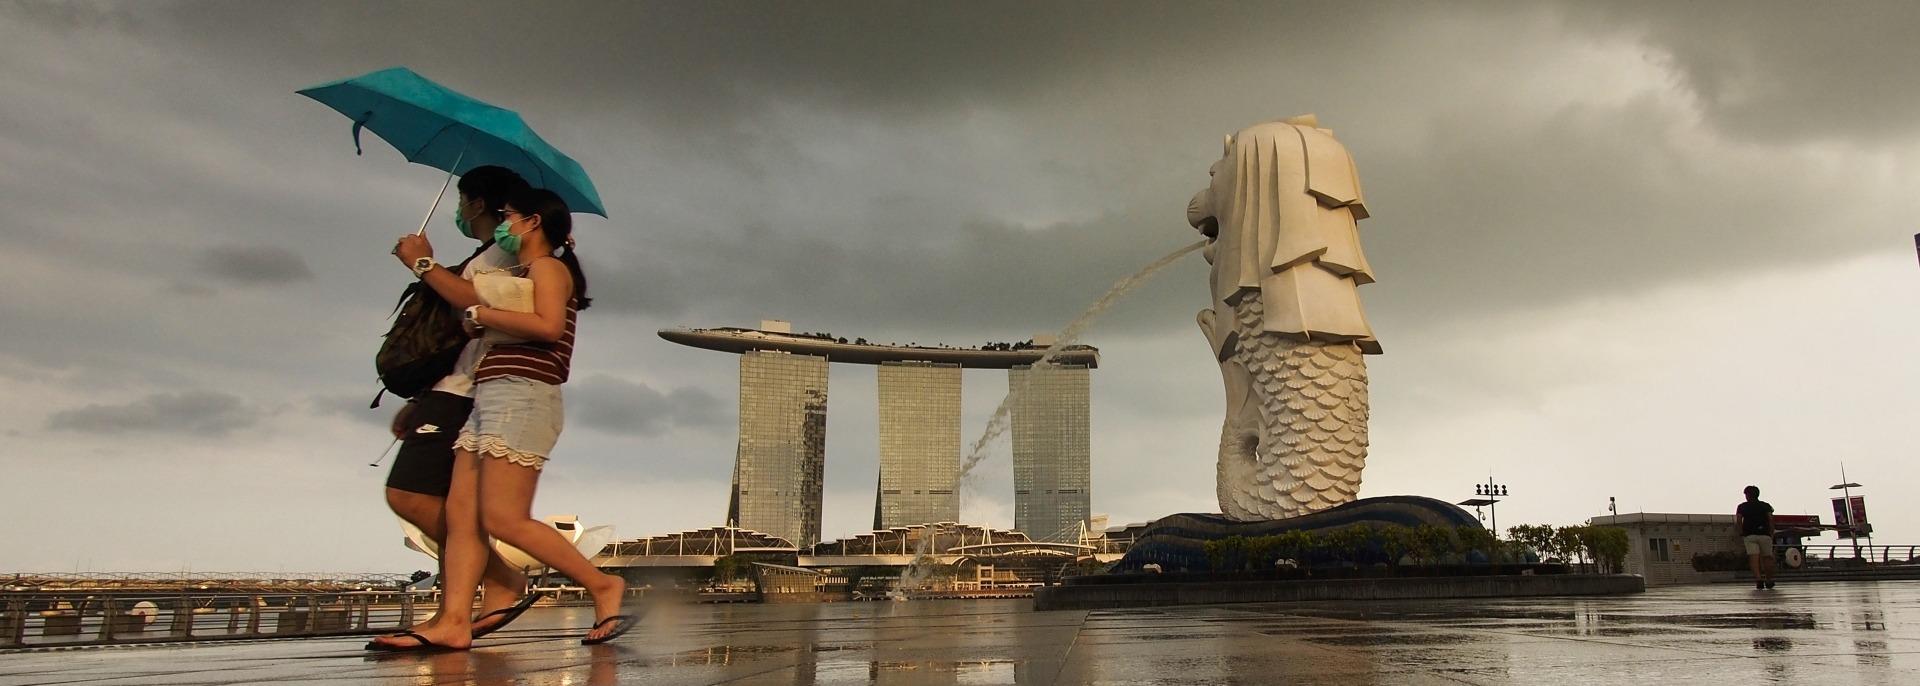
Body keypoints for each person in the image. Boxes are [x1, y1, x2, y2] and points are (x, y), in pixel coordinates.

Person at [375, 187, 629, 651]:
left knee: (503, 518)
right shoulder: (525, 272)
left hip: (523, 396)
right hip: (493, 396)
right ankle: (453, 621)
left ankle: (602, 585)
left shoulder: (549, 268)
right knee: (462, 516)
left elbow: (549, 326)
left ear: (532, 222)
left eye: (509, 215)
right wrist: (481, 318)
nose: (503, 223)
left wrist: (480, 311)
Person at [377, 166, 542, 647]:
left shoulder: (507, 256)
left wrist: (423, 265)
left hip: (472, 392)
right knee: (453, 506)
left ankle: (499, 581)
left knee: (410, 494)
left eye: (463, 199)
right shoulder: (485, 253)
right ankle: (455, 613)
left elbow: (475, 305)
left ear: (476, 203)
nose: (460, 209)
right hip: (453, 386)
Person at [1737, 485, 1776, 590]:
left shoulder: (1742, 507)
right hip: (1765, 534)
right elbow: (1771, 520)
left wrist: (1741, 533)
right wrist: (1771, 533)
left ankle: (1758, 579)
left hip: (1749, 535)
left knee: (1753, 557)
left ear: (1747, 495)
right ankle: (1769, 579)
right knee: (1767, 557)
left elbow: (1739, 521)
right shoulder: (1765, 506)